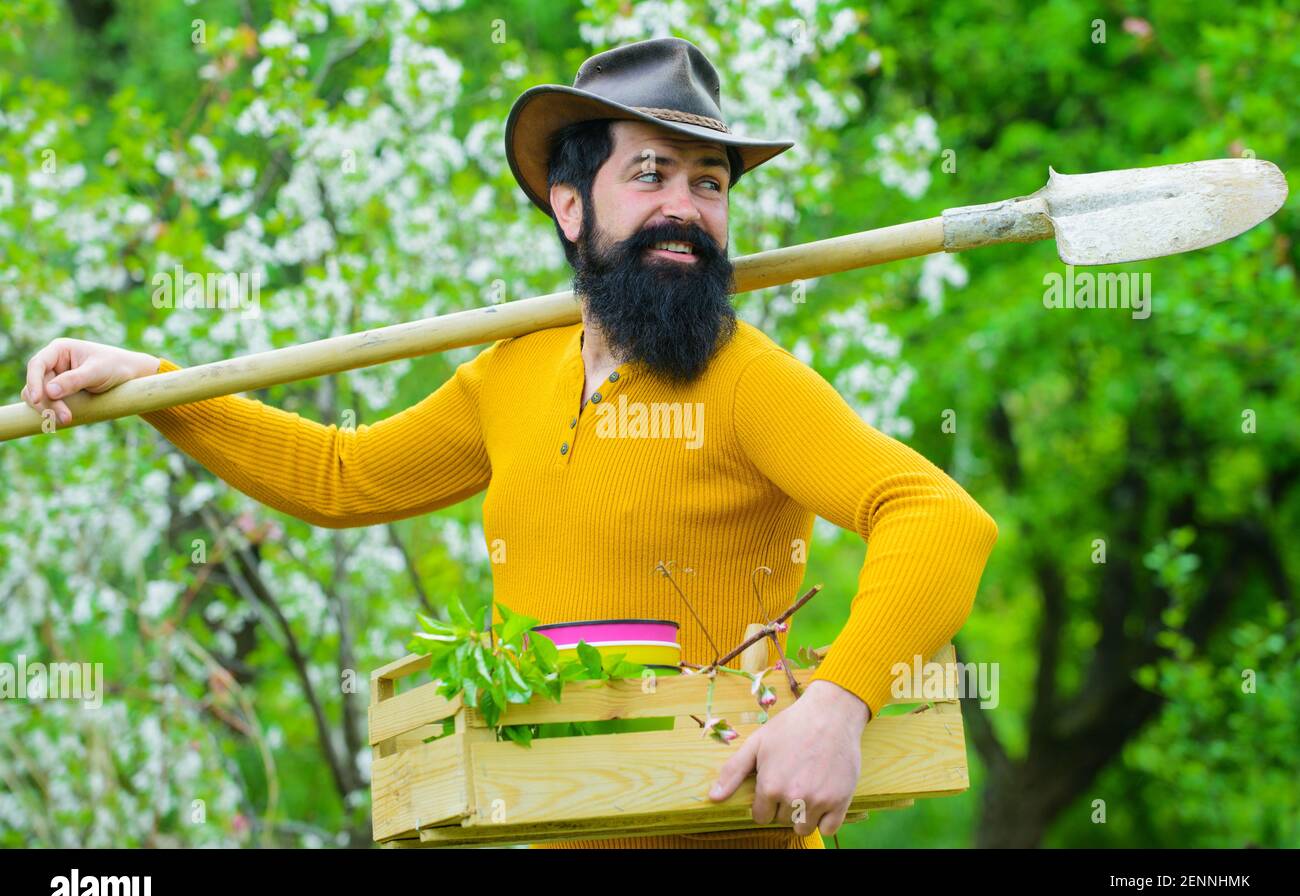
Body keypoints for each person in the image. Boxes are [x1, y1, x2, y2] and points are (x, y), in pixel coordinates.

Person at [20, 36, 998, 849]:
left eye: (709, 184)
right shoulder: (514, 371)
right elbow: (338, 477)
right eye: (650, 174)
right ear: (570, 208)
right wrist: (152, 383)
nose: (686, 209)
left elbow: (937, 518)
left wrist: (838, 704)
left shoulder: (746, 377)